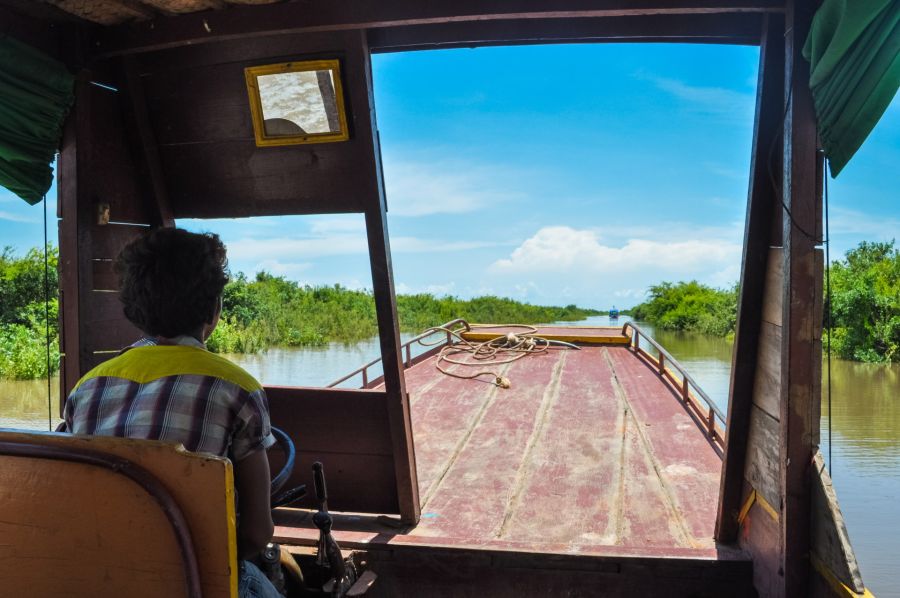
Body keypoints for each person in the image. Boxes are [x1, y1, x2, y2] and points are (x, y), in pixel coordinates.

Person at [62, 227, 282, 598]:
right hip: (190, 577)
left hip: (100, 573)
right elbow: (258, 533)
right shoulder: (237, 388)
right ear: (214, 309)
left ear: (135, 310)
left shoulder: (87, 387)